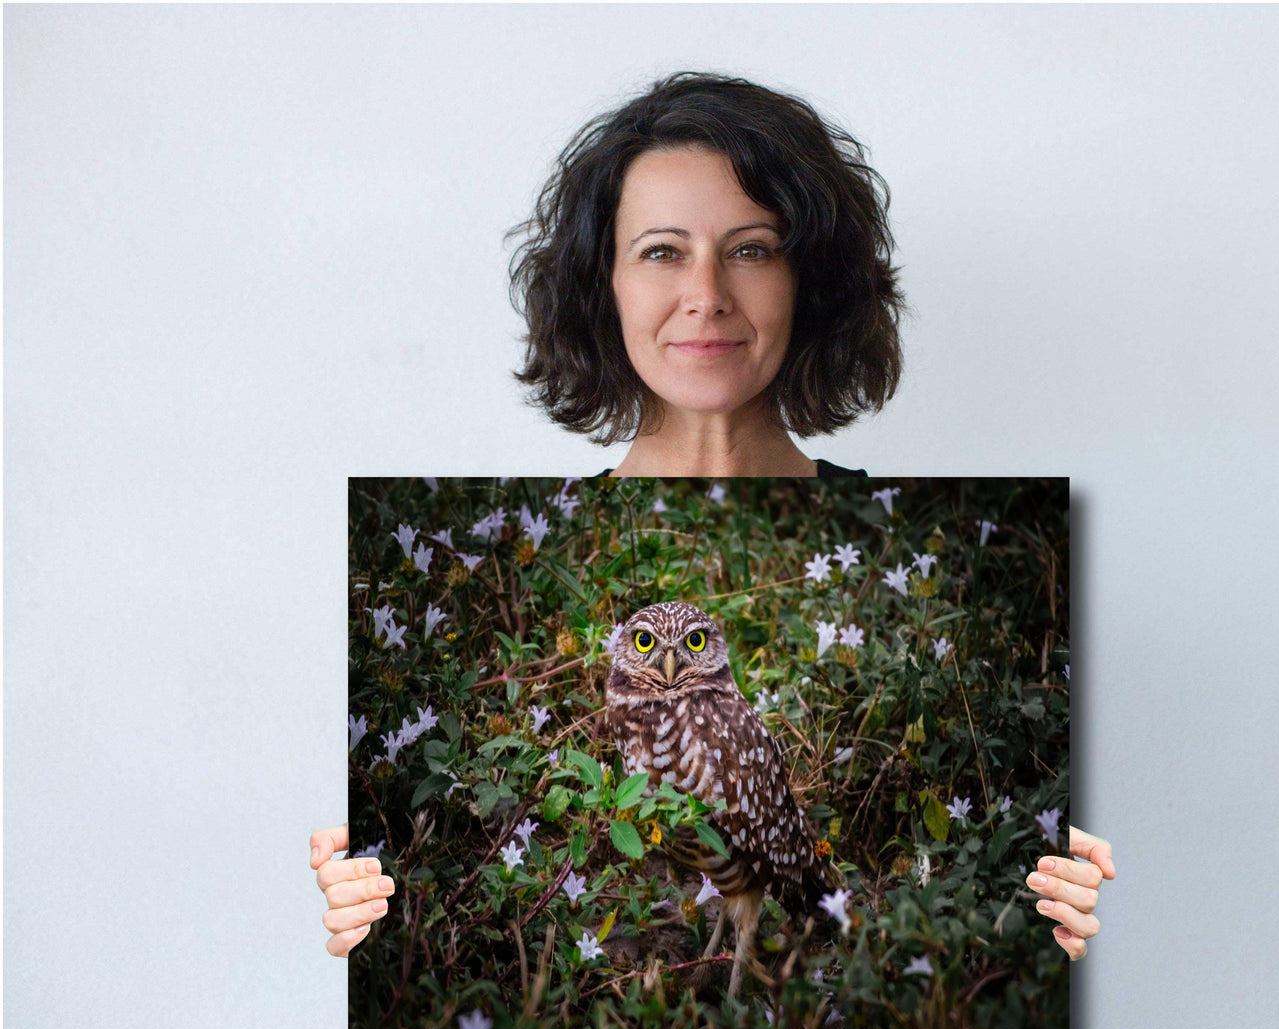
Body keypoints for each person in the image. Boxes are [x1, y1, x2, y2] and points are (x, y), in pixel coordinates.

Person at [313, 71, 1115, 963]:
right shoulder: (526, 531)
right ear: (602, 285)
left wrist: (1052, 923)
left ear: (809, 283)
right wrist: (371, 917)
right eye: (661, 251)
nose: (707, 294)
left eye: (751, 249)